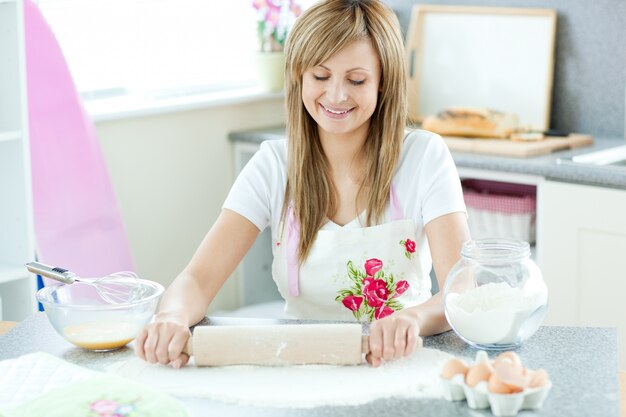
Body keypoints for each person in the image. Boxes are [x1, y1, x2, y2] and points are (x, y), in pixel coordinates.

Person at [135, 0, 470, 369]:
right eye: (321, 77)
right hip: (301, 366)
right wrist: (171, 317)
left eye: (356, 80)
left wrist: (413, 318)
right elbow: (198, 279)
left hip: (401, 364)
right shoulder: (273, 167)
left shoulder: (423, 157)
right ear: (299, 77)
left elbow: (462, 287)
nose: (337, 95)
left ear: (383, 82)